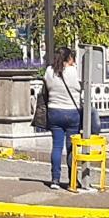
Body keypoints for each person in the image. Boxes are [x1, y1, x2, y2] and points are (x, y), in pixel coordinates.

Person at [40, 46, 82, 190]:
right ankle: (73, 180)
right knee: (72, 148)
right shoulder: (74, 71)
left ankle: (55, 180)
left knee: (57, 147)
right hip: (72, 112)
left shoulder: (49, 71)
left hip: (54, 112)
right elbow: (81, 86)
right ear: (70, 58)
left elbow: (46, 86)